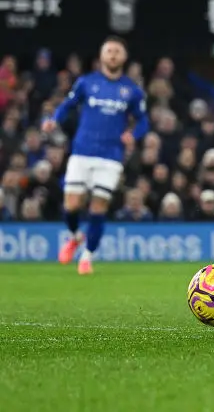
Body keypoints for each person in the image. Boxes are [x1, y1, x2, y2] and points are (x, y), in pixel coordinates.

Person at [42, 37, 149, 274]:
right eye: (109, 51)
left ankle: (87, 257)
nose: (112, 55)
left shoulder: (131, 90)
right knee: (71, 205)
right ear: (101, 56)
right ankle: (74, 237)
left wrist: (133, 134)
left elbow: (143, 120)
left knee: (98, 207)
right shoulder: (86, 83)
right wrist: (53, 121)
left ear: (124, 57)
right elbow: (67, 105)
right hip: (82, 151)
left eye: (117, 51)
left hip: (110, 155)